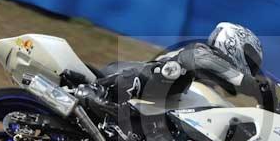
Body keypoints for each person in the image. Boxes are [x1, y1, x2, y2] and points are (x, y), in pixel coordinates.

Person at [91, 22, 266, 105]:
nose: (251, 68)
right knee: (177, 75)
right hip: (128, 74)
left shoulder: (208, 83)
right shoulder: (202, 52)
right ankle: (96, 91)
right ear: (233, 43)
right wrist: (248, 83)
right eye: (250, 60)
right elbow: (200, 60)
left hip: (153, 111)